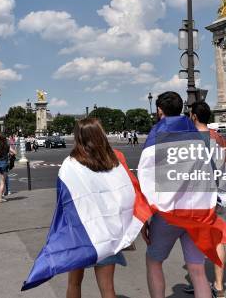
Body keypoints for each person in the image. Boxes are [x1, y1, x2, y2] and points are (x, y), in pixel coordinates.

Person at [142, 92, 213, 298]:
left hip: (168, 213)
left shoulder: (156, 134)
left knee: (154, 261)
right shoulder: (195, 134)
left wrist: (146, 215)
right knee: (198, 271)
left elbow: (147, 179)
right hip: (197, 211)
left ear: (159, 110)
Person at [65, 118, 131, 298]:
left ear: (78, 137)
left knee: (74, 283)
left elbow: (65, 200)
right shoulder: (113, 162)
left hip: (81, 231)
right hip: (107, 230)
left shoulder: (71, 163)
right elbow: (126, 194)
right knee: (108, 289)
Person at [186, 100, 226, 297]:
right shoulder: (217, 137)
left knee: (195, 241)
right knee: (217, 239)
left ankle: (199, 282)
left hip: (195, 196)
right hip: (215, 195)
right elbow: (223, 165)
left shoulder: (188, 138)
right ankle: (218, 285)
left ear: (194, 116)